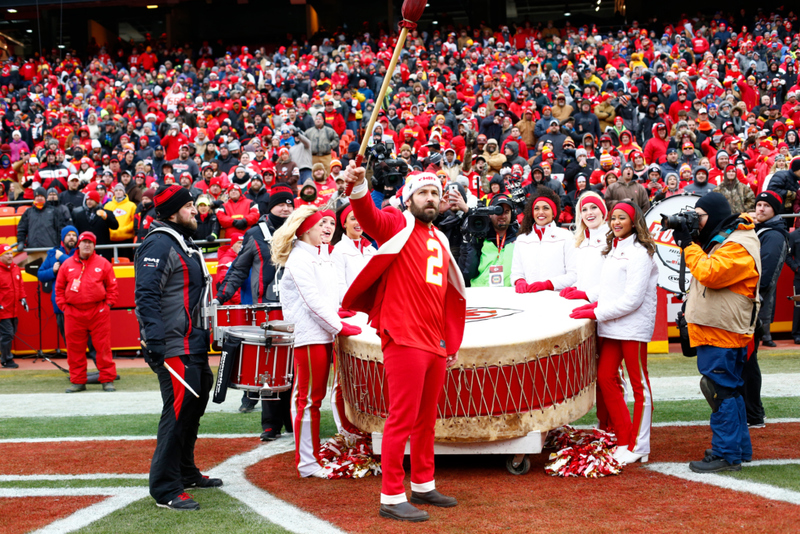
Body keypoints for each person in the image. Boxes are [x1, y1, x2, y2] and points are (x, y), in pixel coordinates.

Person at [342, 164, 466, 522]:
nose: (430, 199)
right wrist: (359, 185)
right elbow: (368, 217)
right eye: (423, 193)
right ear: (408, 198)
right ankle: (391, 496)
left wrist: (449, 341)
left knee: (426, 420)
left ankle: (423, 484)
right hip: (404, 337)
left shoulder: (439, 238)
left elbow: (445, 297)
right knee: (402, 418)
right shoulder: (398, 223)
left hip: (433, 341)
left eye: (435, 195)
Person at [135, 184, 219, 511]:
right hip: (173, 343)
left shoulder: (181, 241)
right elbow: (147, 294)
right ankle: (165, 488)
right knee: (177, 411)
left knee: (194, 405)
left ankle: (184, 469)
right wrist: (154, 340)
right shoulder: (159, 243)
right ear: (173, 212)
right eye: (188, 207)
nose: (195, 210)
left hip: (192, 342)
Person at [672, 192, 761, 473]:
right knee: (728, 390)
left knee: (720, 391)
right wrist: (690, 239)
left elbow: (710, 273)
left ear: (716, 215)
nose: (696, 222)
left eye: (700, 216)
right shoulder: (729, 238)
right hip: (720, 328)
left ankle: (726, 453)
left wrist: (688, 244)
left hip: (723, 330)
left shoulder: (739, 244)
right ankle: (737, 450)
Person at [271, 205, 361, 478]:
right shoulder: (299, 258)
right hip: (310, 337)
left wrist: (340, 312)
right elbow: (312, 303)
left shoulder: (323, 256)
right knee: (308, 399)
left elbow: (327, 299)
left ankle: (310, 458)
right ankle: (307, 463)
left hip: (324, 333)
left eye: (331, 223)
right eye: (322, 223)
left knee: (315, 397)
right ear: (306, 228)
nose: (328, 227)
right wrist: (339, 325)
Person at [570, 201, 659, 465]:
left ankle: (640, 445)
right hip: (612, 326)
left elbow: (632, 299)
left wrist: (594, 312)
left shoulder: (640, 253)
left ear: (634, 222)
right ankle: (623, 438)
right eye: (614, 218)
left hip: (632, 328)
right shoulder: (613, 249)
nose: (617, 222)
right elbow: (608, 289)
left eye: (623, 218)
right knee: (605, 377)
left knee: (639, 385)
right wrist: (586, 298)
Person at [215, 184, 296, 439]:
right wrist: (221, 296)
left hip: (297, 307)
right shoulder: (255, 234)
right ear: (270, 207)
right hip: (269, 309)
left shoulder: (302, 231)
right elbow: (239, 269)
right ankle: (271, 424)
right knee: (271, 368)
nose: (285, 208)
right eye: (280, 203)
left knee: (295, 368)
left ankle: (294, 420)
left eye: (289, 204)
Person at [54, 231, 118, 392]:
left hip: (98, 311)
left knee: (103, 347)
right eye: (84, 242)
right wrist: (64, 307)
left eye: (90, 242)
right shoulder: (67, 265)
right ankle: (78, 381)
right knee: (75, 349)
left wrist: (107, 305)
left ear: (94, 245)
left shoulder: (103, 263)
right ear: (79, 244)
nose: (87, 245)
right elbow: (59, 288)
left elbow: (112, 287)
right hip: (73, 313)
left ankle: (107, 379)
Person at [511, 186, 577, 293]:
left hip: (557, 298)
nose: (540, 212)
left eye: (546, 208)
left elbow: (574, 274)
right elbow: (516, 272)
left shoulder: (566, 237)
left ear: (553, 212)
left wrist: (548, 284)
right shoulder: (522, 240)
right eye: (536, 208)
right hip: (528, 298)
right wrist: (519, 281)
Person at [458, 194, 518, 287]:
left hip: (509, 295)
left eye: (506, 212)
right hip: (481, 295)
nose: (502, 216)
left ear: (512, 215)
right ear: (490, 214)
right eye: (498, 211)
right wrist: (467, 241)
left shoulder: (519, 239)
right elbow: (467, 273)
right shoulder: (479, 238)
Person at [331, 203, 376, 291]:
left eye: (361, 218)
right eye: (353, 218)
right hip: (352, 304)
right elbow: (339, 287)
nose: (358, 222)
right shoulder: (338, 250)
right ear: (344, 223)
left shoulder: (372, 250)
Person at [16, 187, 65, 261]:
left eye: (41, 196)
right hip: (33, 251)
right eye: (37, 196)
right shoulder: (28, 212)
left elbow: (60, 229)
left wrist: (58, 246)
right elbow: (22, 229)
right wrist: (21, 242)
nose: (39, 198)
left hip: (50, 251)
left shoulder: (54, 211)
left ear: (45, 197)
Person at [0, 244, 28, 368]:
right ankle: (6, 359)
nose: (10, 256)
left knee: (11, 333)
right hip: (3, 309)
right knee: (7, 334)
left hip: (13, 309)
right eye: (7, 254)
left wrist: (23, 299)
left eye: (11, 253)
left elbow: (20, 285)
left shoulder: (15, 268)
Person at [72, 190, 119, 260]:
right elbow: (77, 231)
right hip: (85, 250)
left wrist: (106, 217)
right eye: (87, 200)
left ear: (97, 201)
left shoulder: (106, 212)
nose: (89, 202)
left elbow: (115, 226)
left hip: (102, 250)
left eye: (91, 199)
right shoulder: (79, 215)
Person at [105, 183, 138, 259]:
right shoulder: (108, 205)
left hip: (126, 240)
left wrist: (123, 230)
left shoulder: (131, 205)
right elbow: (105, 221)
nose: (118, 192)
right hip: (111, 239)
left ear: (124, 192)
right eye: (116, 190)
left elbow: (134, 221)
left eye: (120, 190)